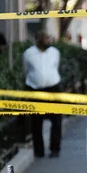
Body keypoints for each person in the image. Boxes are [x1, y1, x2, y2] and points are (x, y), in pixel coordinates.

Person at [22, 30, 63, 158]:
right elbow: (26, 71)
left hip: (53, 88)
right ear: (38, 40)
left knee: (56, 120)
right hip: (35, 89)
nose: (47, 41)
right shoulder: (28, 54)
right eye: (44, 39)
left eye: (48, 38)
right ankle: (39, 151)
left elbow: (56, 67)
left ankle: (55, 148)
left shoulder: (55, 53)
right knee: (36, 121)